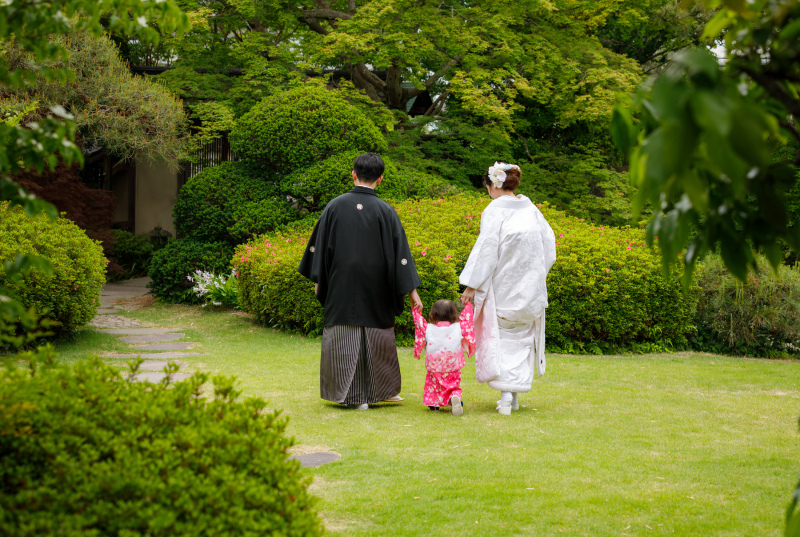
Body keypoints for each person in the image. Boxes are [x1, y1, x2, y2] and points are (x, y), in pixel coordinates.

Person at [298, 153, 423, 410]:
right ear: (381, 178)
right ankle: (370, 393)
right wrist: (411, 291)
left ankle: (360, 395)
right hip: (377, 283)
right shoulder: (386, 210)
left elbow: (320, 248)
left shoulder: (334, 206)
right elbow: (401, 254)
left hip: (340, 281)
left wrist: (319, 278)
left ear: (353, 174)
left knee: (344, 333)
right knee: (377, 334)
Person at [459, 162, 557, 416]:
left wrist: (471, 286)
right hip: (530, 288)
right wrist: (536, 275)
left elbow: (486, 250)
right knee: (522, 339)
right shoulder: (531, 209)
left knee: (501, 338)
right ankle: (513, 397)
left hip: (504, 285)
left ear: (493, 185)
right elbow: (549, 247)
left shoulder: (495, 210)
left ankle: (505, 397)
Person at [412, 299, 476, 416]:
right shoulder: (458, 328)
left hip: (435, 365)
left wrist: (416, 310)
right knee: (452, 384)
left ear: (433, 315)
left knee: (434, 384)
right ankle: (454, 396)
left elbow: (419, 322)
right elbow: (467, 320)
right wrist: (468, 305)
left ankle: (434, 404)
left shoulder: (429, 329)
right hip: (453, 365)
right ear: (453, 315)